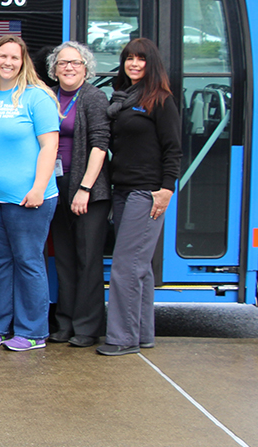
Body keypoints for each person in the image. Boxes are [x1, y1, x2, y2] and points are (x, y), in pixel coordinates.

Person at [0, 35, 60, 352]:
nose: (7, 62)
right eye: (2, 56)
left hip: (28, 199)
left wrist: (38, 188)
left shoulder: (37, 97)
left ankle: (33, 332)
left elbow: (50, 146)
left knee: (28, 262)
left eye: (14, 57)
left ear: (24, 62)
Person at [98, 38, 181, 356]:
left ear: (152, 64)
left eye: (140, 59)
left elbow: (173, 148)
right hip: (123, 189)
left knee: (125, 266)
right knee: (139, 267)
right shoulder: (122, 99)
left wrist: (166, 190)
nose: (133, 64)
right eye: (128, 58)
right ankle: (143, 333)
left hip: (147, 192)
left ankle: (122, 338)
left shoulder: (160, 100)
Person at [45, 41, 111, 348]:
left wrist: (85, 188)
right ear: (54, 69)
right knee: (64, 260)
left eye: (75, 63)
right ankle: (65, 323)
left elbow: (100, 145)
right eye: (62, 63)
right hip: (56, 186)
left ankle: (87, 327)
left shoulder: (94, 97)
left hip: (87, 190)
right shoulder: (49, 95)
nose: (68, 68)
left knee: (87, 260)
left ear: (86, 68)